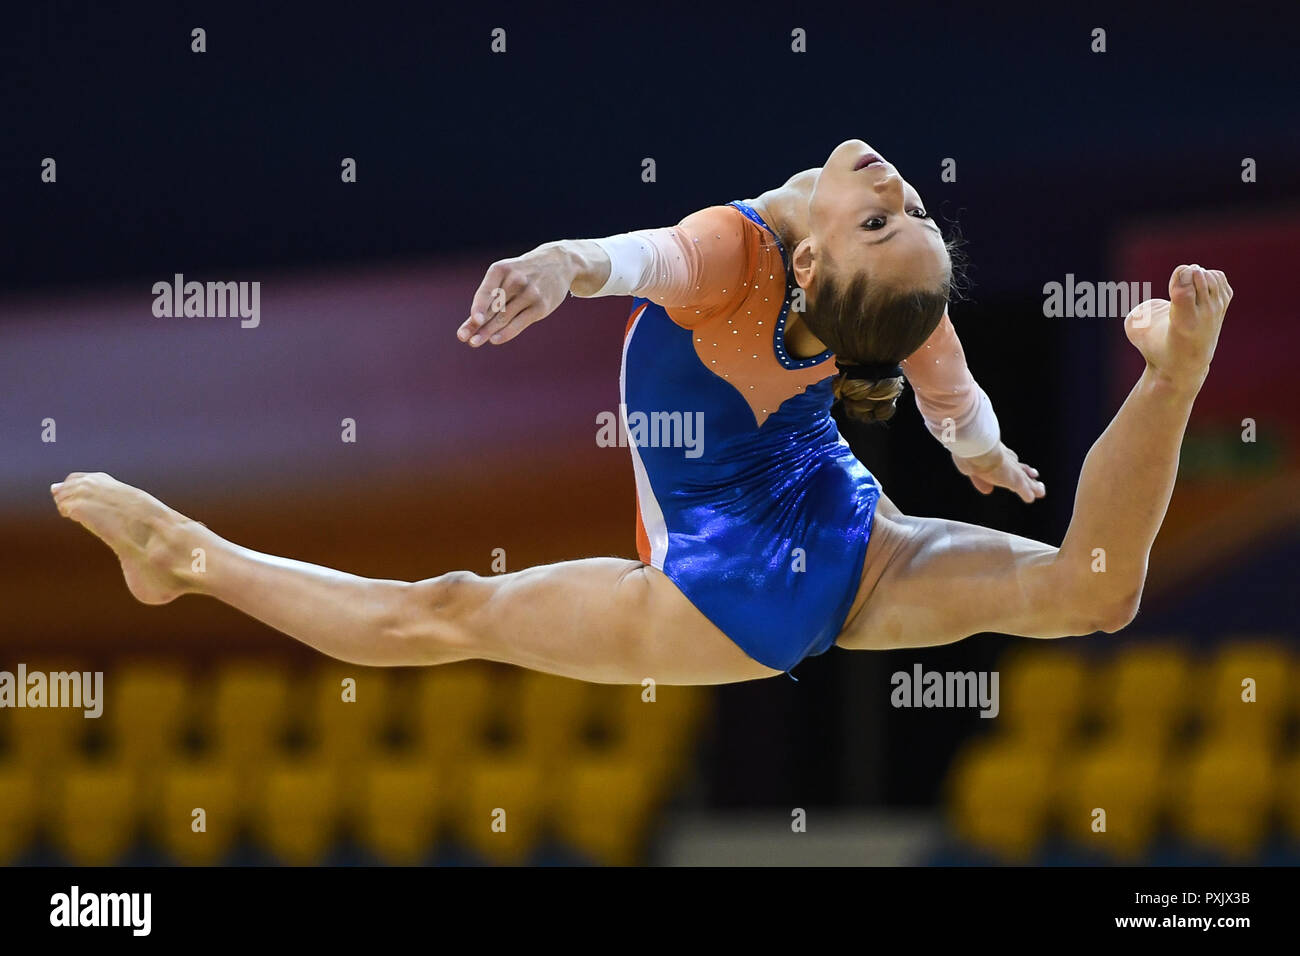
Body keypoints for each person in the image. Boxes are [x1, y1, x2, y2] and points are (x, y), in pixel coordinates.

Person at [51, 139, 1232, 686]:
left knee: (440, 613)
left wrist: (555, 266)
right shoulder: (898, 295)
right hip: (854, 539)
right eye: (904, 200)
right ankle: (1172, 381)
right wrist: (987, 455)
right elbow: (952, 399)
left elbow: (635, 259)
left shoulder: (740, 253)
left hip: (727, 596)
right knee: (1090, 591)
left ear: (815, 270)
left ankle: (189, 556)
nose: (887, 182)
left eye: (887, 215)